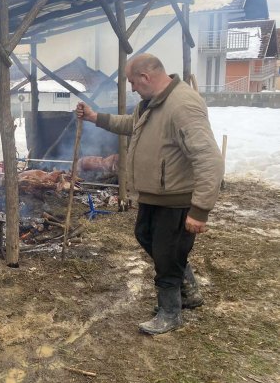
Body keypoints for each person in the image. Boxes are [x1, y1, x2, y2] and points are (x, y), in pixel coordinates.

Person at [76, 54, 224, 335]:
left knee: (167, 254)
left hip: (177, 198)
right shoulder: (152, 104)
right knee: (147, 237)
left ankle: (170, 313)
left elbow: (209, 159)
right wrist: (96, 117)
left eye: (132, 81)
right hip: (154, 195)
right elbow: (131, 125)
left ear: (145, 77)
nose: (131, 88)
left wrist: (200, 210)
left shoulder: (183, 104)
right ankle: (188, 290)